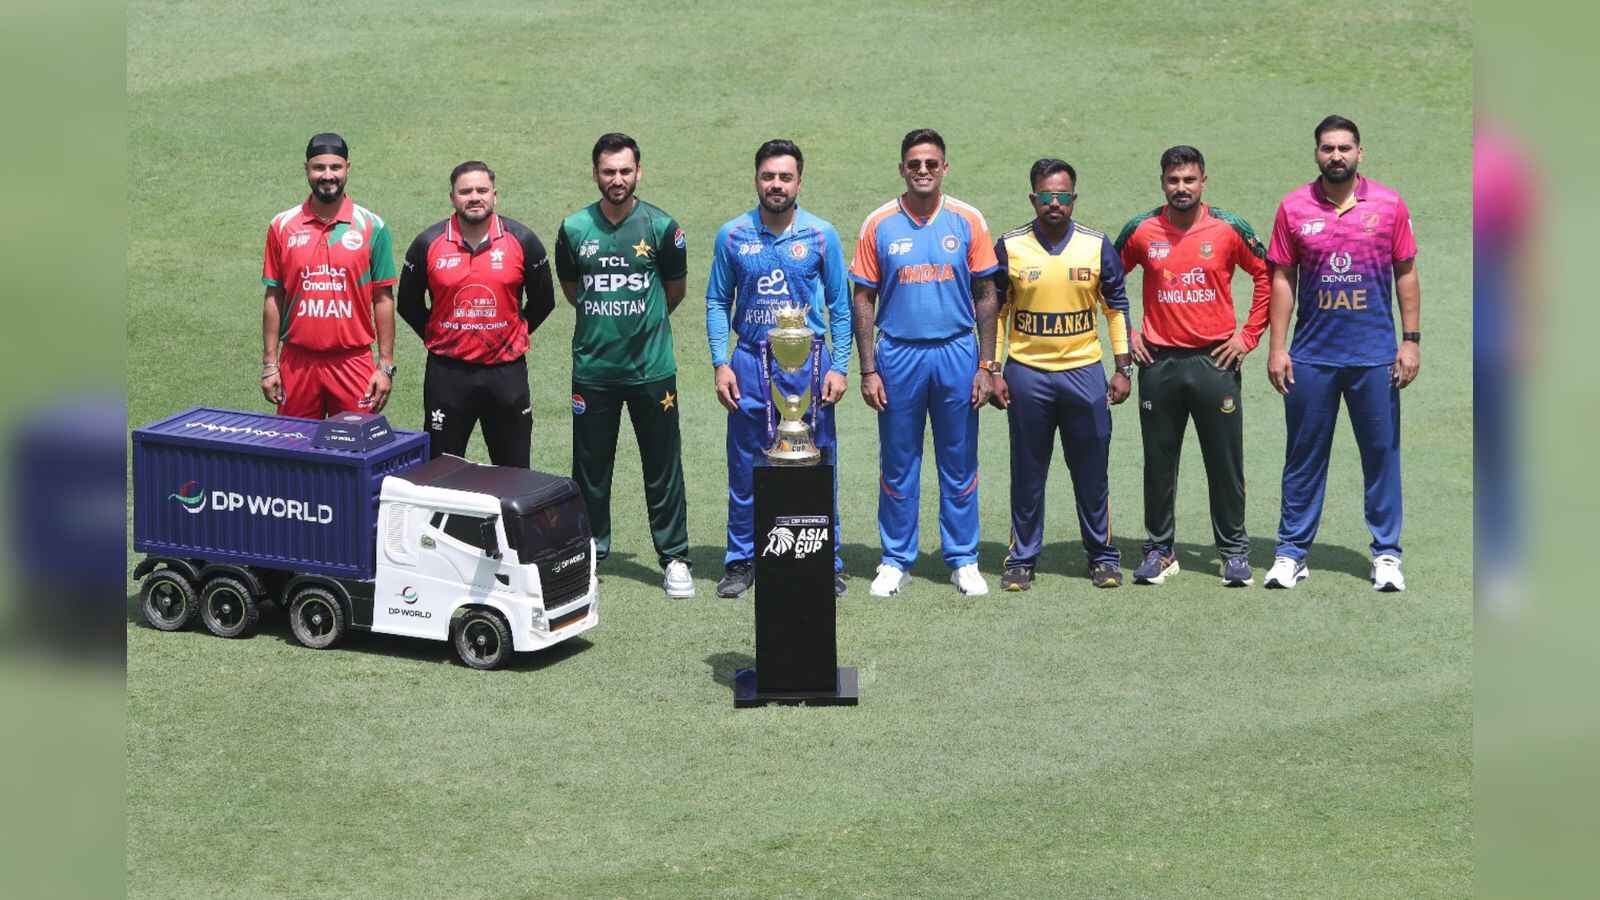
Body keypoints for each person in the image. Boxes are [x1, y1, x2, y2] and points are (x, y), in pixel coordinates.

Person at [1263, 115, 1421, 591]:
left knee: (1381, 455)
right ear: (1317, 153)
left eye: (1344, 148)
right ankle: (1292, 553)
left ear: (1359, 153)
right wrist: (1277, 348)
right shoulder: (1293, 207)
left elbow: (1406, 273)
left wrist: (1410, 341)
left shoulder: (1389, 204)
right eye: (1328, 148)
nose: (1336, 156)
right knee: (1303, 457)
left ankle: (1386, 554)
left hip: (1374, 357)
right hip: (1312, 358)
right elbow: (1283, 278)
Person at [849, 128, 1000, 597]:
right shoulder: (879, 223)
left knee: (959, 459)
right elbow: (863, 298)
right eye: (914, 164)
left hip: (957, 353)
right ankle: (896, 559)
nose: (923, 171)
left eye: (931, 163)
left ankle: (963, 558)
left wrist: (987, 365)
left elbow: (986, 294)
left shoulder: (967, 219)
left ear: (944, 168)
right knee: (899, 462)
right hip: (898, 355)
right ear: (902, 169)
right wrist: (868, 369)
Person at [1114, 145, 1271, 587]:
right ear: (1162, 182)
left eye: (1189, 180)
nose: (1181, 188)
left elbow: (1267, 275)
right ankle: (1160, 551)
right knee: (1158, 463)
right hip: (1158, 364)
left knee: (1225, 463)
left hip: (1214, 362)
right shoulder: (1141, 230)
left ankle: (1234, 553)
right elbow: (1107, 280)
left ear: (1204, 182)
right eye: (1173, 180)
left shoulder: (1228, 228)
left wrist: (1247, 337)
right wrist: (1128, 333)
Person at [706, 140, 853, 599]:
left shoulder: (821, 234)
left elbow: (840, 305)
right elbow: (716, 300)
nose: (776, 185)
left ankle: (825, 559)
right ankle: (742, 559)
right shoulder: (732, 235)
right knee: (746, 463)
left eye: (785, 177)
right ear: (756, 179)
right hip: (750, 362)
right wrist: (721, 362)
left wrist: (840, 366)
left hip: (809, 364)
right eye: (768, 176)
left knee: (818, 460)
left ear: (799, 183)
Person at [553, 133, 694, 598]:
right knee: (590, 469)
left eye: (625, 171)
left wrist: (644, 325)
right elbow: (573, 290)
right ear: (596, 173)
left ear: (639, 172)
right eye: (609, 171)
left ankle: (674, 557)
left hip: (652, 371)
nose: (617, 179)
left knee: (663, 465)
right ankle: (591, 554)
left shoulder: (662, 227)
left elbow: (675, 290)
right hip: (594, 372)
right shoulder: (574, 228)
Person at [990, 158, 1133, 591]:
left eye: (1063, 196)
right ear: (1033, 198)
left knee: (1092, 472)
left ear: (1074, 198)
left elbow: (1116, 308)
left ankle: (1102, 557)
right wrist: (993, 369)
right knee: (1027, 472)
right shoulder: (1010, 246)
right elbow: (998, 313)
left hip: (1084, 374)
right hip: (1027, 374)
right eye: (1047, 196)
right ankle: (1021, 559)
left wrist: (1123, 367)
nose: (1055, 203)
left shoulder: (1096, 245)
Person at [397, 161, 555, 466]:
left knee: (514, 471)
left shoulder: (523, 240)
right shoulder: (428, 243)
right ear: (452, 197)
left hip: (506, 374)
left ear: (495, 195)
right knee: (440, 471)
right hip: (447, 375)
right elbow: (408, 304)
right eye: (465, 191)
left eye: (482, 190)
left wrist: (510, 333)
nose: (474, 197)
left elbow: (543, 302)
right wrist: (442, 335)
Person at [260, 132, 397, 418]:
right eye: (318, 167)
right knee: (293, 444)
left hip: (353, 362)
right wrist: (270, 363)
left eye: (335, 167)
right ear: (306, 169)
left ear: (348, 168)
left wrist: (385, 366)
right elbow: (274, 295)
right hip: (297, 362)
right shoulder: (282, 225)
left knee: (355, 445)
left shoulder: (373, 226)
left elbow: (383, 298)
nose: (327, 175)